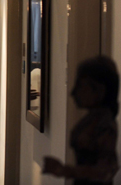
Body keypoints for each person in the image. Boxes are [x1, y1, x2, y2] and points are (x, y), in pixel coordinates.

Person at [43, 55, 119, 184]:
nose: (73, 92)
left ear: (99, 90)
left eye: (80, 86)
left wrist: (66, 170)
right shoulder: (93, 120)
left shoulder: (104, 125)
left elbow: (106, 170)